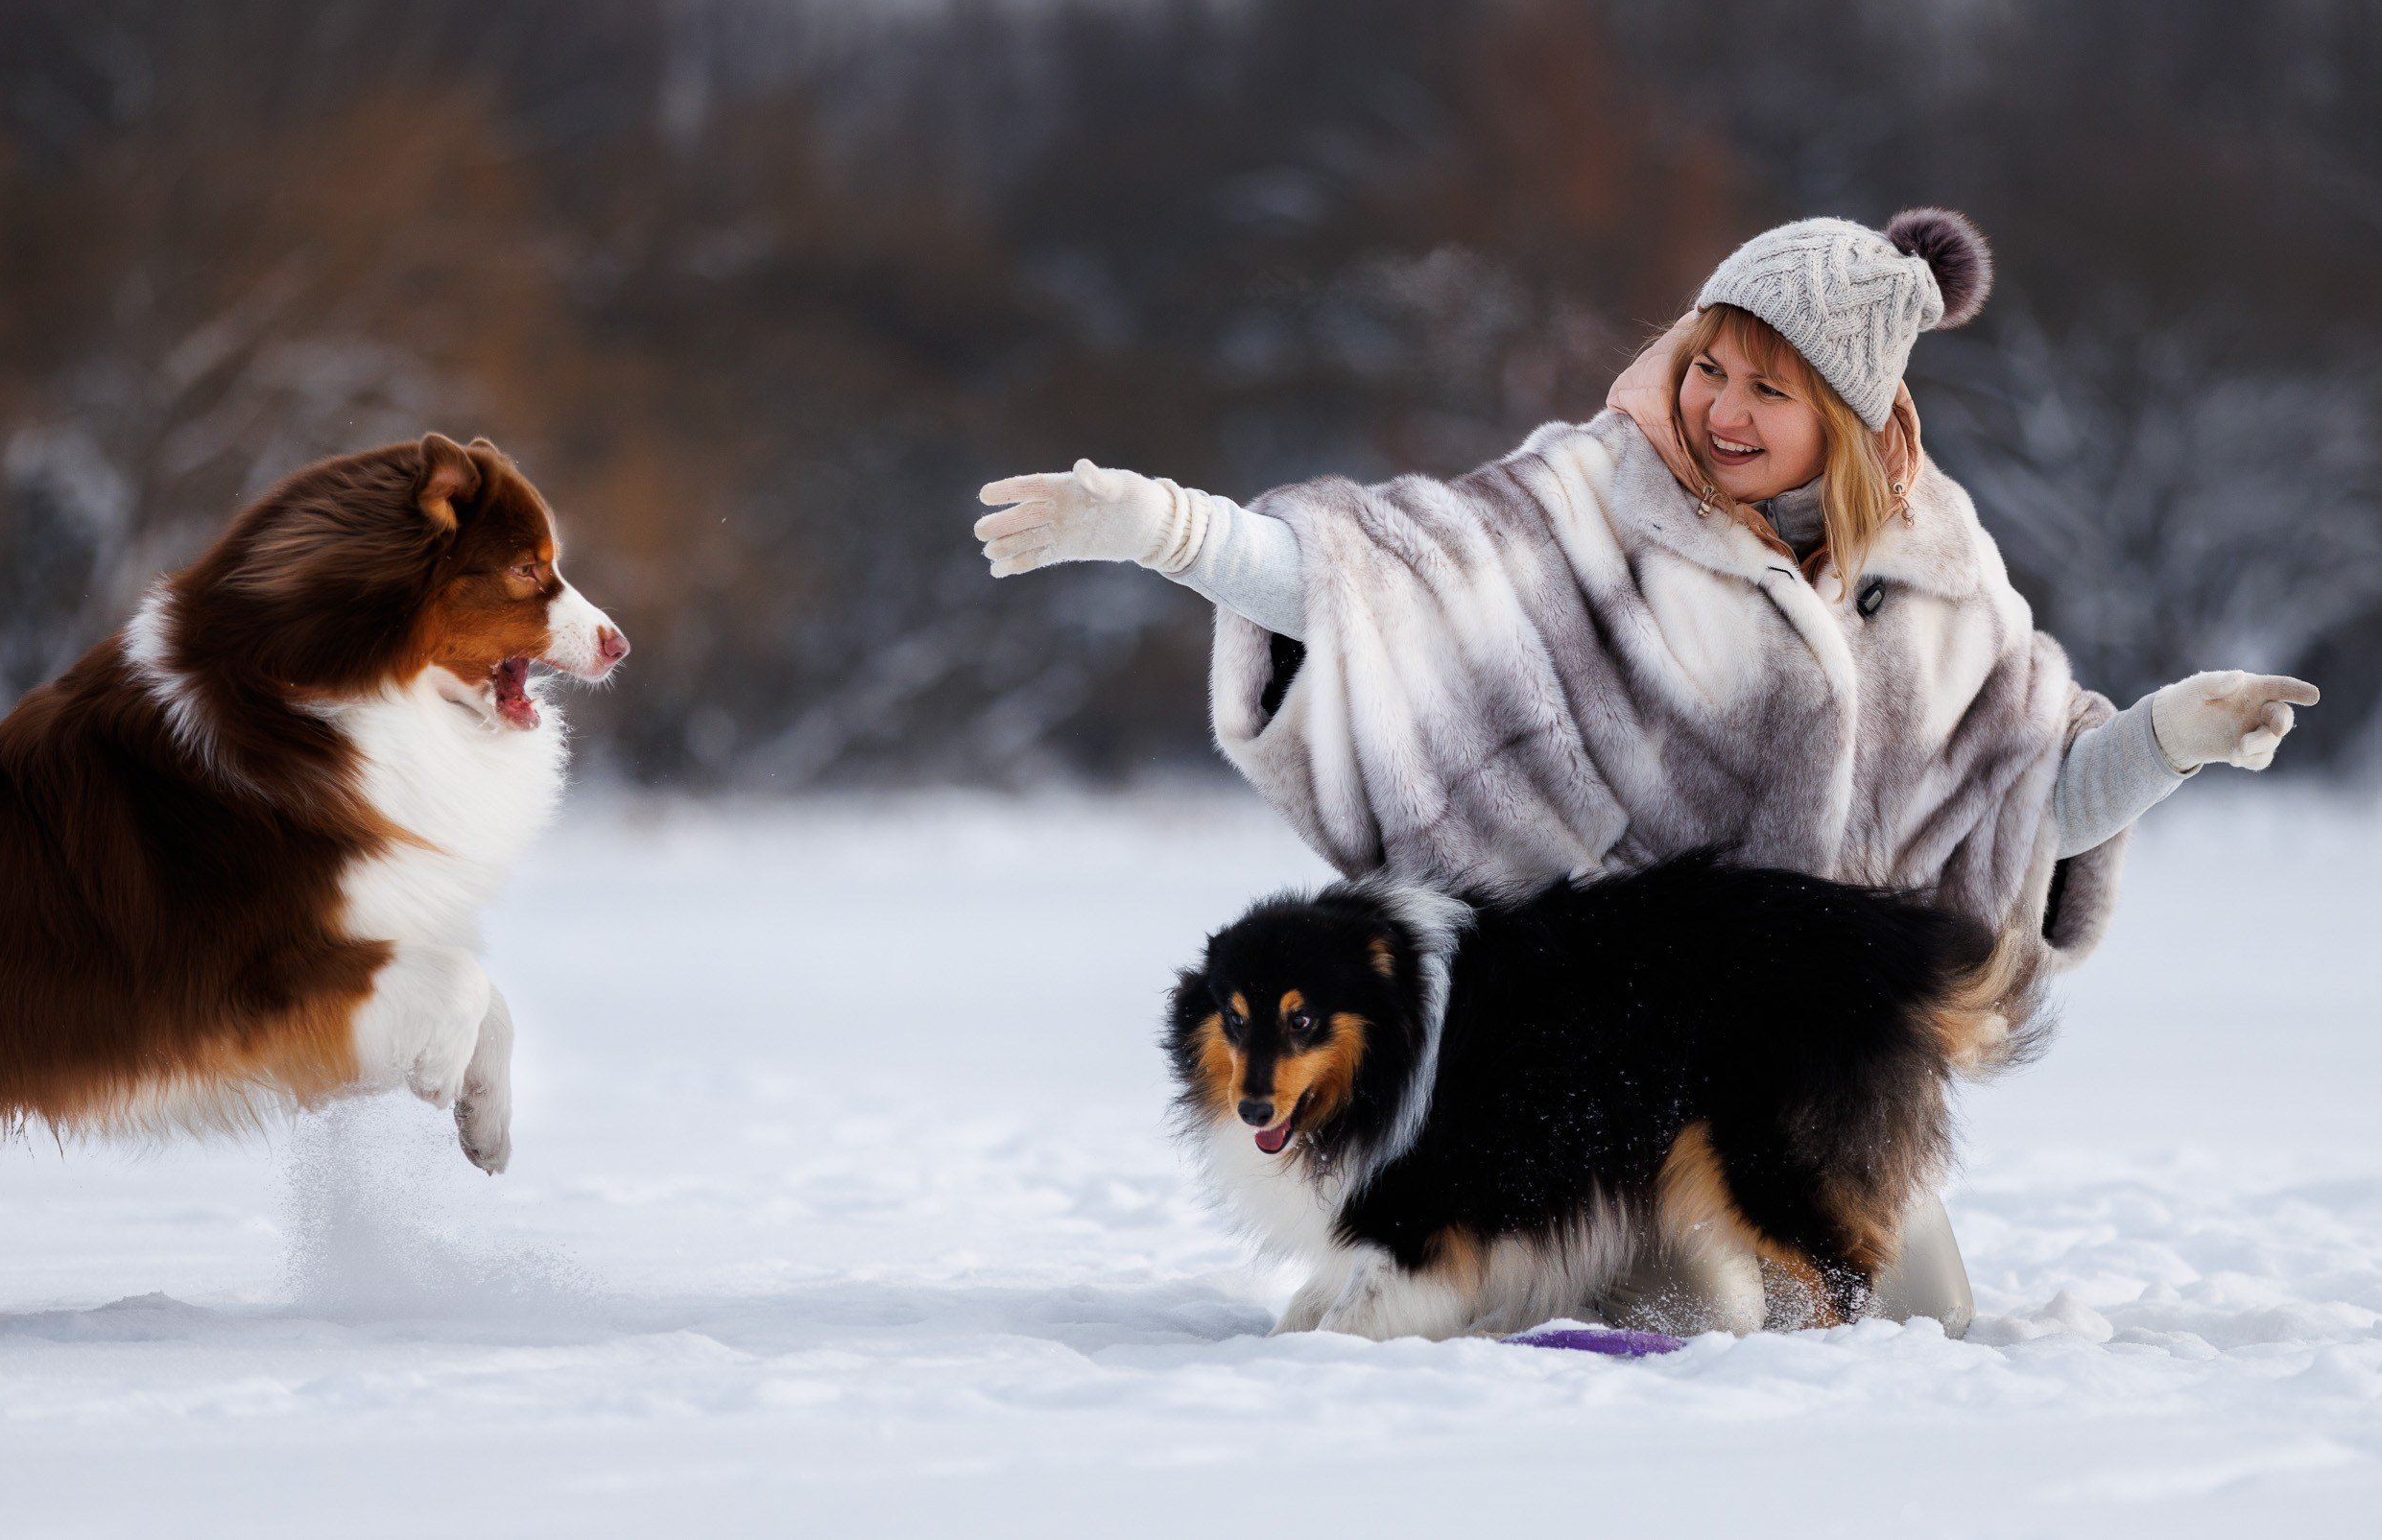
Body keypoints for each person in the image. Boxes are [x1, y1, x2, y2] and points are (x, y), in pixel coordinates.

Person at [972, 209, 2318, 1337]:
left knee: (1916, 1328)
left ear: (1848, 419)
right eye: (1707, 366)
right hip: (1593, 1075)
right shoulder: (1590, 504)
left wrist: (2171, 739)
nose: (1719, 409)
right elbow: (1382, 579)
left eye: (1767, 389)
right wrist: (1160, 526)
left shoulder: (1943, 576)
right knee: (1669, 1337)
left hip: (1820, 1049)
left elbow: (2030, 795)